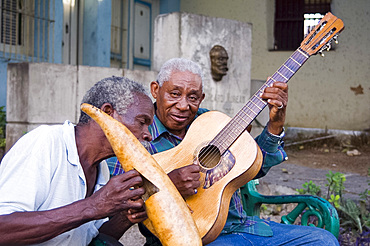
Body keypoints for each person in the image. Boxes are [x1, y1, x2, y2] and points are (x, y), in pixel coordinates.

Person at [107, 58, 339, 245]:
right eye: (174, 94)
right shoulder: (137, 137)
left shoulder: (211, 123)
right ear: (156, 90)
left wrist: (275, 124)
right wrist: (169, 185)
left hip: (246, 229)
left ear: (202, 98)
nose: (183, 105)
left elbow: (255, 165)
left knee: (322, 241)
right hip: (193, 238)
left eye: (193, 97)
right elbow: (119, 201)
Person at [0, 76, 154, 245]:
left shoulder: (100, 168)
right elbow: (3, 229)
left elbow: (87, 239)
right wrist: (93, 206)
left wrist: (126, 216)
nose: (148, 134)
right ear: (108, 113)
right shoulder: (46, 142)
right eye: (142, 122)